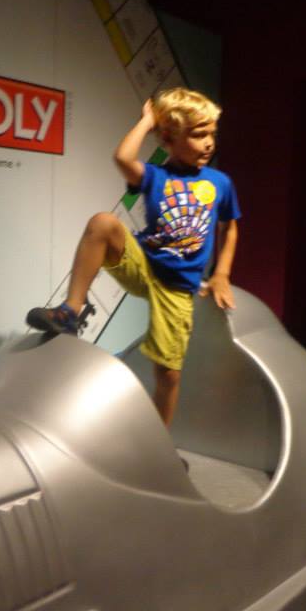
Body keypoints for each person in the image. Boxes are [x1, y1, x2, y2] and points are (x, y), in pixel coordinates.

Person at [26, 87, 240, 426]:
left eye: (211, 134)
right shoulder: (156, 176)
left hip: (176, 285)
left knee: (168, 373)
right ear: (168, 139)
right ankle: (71, 311)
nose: (208, 143)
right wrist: (147, 122)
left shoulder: (219, 183)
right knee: (102, 223)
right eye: (198, 135)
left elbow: (229, 228)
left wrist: (222, 273)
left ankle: (159, 443)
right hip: (143, 264)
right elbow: (123, 158)